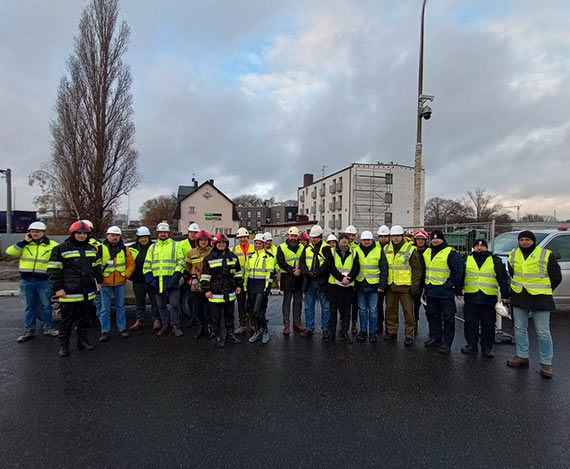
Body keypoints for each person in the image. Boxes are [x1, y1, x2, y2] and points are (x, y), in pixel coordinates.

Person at [506, 230, 561, 378]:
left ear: (533, 241)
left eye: (527, 240)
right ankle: (521, 355)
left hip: (540, 298)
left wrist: (544, 289)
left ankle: (546, 363)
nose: (524, 242)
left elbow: (556, 276)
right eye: (522, 239)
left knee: (542, 332)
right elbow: (512, 272)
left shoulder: (545, 254)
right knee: (519, 328)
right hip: (519, 295)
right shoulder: (513, 254)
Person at [47, 221, 103, 357]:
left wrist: (99, 280)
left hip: (87, 292)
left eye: (85, 233)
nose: (82, 236)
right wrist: (58, 288)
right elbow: (54, 270)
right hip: (69, 292)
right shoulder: (61, 249)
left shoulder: (91, 248)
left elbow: (96, 266)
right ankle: (64, 346)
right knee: (67, 321)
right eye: (79, 233)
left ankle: (82, 341)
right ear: (73, 234)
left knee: (85, 320)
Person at [6, 221, 60, 342]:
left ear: (43, 232)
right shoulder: (24, 245)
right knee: (29, 307)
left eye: (37, 232)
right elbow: (9, 252)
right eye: (32, 232)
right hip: (26, 280)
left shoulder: (52, 245)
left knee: (46, 306)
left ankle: (48, 328)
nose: (35, 234)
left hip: (44, 280)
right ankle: (29, 330)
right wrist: (24, 242)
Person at [458, 239, 510, 359]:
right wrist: (458, 290)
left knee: (488, 324)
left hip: (488, 298)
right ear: (473, 248)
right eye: (476, 246)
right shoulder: (466, 260)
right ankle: (471, 345)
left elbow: (503, 279)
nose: (479, 248)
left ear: (486, 247)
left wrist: (505, 295)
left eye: (482, 246)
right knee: (470, 323)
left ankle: (487, 347)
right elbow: (461, 276)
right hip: (471, 297)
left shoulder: (495, 261)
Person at [423, 230, 462, 354]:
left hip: (444, 291)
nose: (435, 240)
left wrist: (449, 285)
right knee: (433, 316)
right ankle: (435, 337)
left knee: (448, 318)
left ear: (442, 239)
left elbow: (457, 271)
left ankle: (447, 342)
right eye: (433, 239)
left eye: (438, 238)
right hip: (431, 290)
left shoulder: (450, 252)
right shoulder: (427, 251)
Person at [143, 222, 185, 338]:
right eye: (160, 232)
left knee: (174, 304)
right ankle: (165, 324)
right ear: (157, 233)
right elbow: (147, 265)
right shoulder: (152, 247)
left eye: (164, 232)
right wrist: (151, 280)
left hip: (171, 279)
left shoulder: (176, 246)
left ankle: (175, 325)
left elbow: (181, 262)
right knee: (161, 305)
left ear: (168, 233)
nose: (162, 234)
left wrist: (175, 277)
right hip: (157, 280)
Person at [201, 234, 243, 348]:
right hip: (215, 293)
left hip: (229, 291)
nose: (221, 244)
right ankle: (218, 336)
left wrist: (239, 285)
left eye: (223, 243)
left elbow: (238, 273)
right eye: (219, 243)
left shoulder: (233, 257)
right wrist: (206, 289)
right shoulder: (209, 259)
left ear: (226, 244)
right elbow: (205, 276)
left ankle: (230, 335)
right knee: (216, 317)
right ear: (215, 244)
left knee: (229, 316)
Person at [383, 225, 422, 346]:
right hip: (391, 286)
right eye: (393, 236)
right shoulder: (386, 248)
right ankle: (392, 331)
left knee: (408, 312)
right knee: (390, 310)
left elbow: (416, 269)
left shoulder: (410, 249)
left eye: (398, 236)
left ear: (402, 236)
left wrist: (414, 286)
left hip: (406, 287)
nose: (395, 238)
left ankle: (409, 334)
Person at [97, 226, 135, 341]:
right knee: (105, 308)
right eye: (112, 235)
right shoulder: (99, 249)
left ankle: (122, 329)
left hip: (120, 282)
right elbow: (94, 264)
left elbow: (131, 264)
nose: (115, 237)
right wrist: (99, 278)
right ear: (107, 236)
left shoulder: (124, 249)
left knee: (121, 307)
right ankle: (104, 331)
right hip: (105, 283)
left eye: (117, 235)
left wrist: (126, 275)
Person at [325, 233, 360, 343]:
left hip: (348, 287)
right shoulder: (332, 252)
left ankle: (344, 332)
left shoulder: (354, 252)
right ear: (338, 241)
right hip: (334, 286)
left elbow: (356, 268)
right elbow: (330, 267)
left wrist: (349, 278)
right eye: (342, 239)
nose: (344, 240)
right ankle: (332, 333)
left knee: (346, 312)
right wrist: (341, 278)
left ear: (349, 240)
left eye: (346, 239)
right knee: (333, 312)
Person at [355, 230, 388, 342]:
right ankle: (363, 331)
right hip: (360, 284)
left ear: (372, 240)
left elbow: (384, 269)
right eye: (364, 240)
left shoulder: (379, 251)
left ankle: (372, 332)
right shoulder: (356, 250)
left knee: (373, 310)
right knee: (362, 309)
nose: (366, 242)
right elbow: (353, 268)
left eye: (368, 240)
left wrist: (382, 286)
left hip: (374, 285)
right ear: (361, 240)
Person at [299, 225, 331, 340]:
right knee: (309, 306)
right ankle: (309, 328)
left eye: (316, 237)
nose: (313, 239)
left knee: (326, 307)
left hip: (322, 281)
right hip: (310, 281)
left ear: (321, 237)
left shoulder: (326, 248)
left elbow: (328, 264)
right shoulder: (307, 248)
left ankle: (325, 329)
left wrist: (317, 272)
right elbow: (302, 263)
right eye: (312, 237)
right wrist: (307, 272)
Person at [245, 234, 276, 344]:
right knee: (252, 311)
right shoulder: (250, 256)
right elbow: (247, 272)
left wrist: (267, 288)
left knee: (257, 311)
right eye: (256, 243)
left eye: (260, 243)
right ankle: (257, 331)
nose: (257, 245)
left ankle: (265, 330)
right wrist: (244, 285)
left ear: (263, 244)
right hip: (251, 284)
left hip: (261, 285)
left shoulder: (269, 257)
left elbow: (269, 273)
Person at [128, 226, 160, 331]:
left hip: (152, 280)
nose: (143, 239)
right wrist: (130, 276)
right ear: (138, 238)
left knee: (154, 301)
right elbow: (127, 263)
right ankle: (139, 321)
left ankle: (156, 320)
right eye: (141, 237)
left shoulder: (155, 247)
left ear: (149, 237)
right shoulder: (132, 248)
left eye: (145, 237)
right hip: (138, 281)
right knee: (139, 302)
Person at [276, 226, 306, 335]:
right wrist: (292, 270)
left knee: (298, 302)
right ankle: (286, 325)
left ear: (297, 237)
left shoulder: (302, 248)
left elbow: (304, 261)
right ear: (288, 236)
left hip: (299, 278)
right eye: (291, 235)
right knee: (287, 302)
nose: (293, 238)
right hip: (287, 278)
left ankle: (296, 323)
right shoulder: (281, 247)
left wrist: (300, 269)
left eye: (295, 236)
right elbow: (281, 262)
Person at [185, 230, 213, 339]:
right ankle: (202, 327)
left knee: (209, 309)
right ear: (197, 241)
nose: (203, 242)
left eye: (205, 240)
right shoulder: (191, 253)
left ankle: (210, 327)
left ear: (208, 241)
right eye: (201, 240)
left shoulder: (212, 252)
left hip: (209, 285)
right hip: (196, 285)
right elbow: (188, 266)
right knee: (198, 309)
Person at [233, 227, 254, 334]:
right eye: (240, 237)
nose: (243, 239)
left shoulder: (254, 248)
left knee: (252, 302)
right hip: (239, 280)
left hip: (251, 279)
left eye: (244, 237)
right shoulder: (234, 250)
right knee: (241, 303)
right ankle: (243, 324)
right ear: (238, 238)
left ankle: (253, 324)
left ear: (248, 237)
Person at [179, 222, 200, 327]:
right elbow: (179, 258)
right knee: (190, 298)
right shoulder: (181, 244)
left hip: (199, 274)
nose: (193, 234)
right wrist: (185, 272)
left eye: (195, 232)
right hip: (187, 274)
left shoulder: (201, 243)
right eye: (191, 232)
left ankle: (200, 318)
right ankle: (193, 317)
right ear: (188, 233)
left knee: (199, 298)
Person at [412, 230, 429, 336]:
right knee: (414, 307)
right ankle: (414, 327)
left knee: (430, 309)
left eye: (422, 239)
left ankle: (433, 331)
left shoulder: (430, 251)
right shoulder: (411, 251)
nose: (420, 241)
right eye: (418, 239)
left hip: (427, 283)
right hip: (415, 284)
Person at [375, 225, 391, 334]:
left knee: (390, 306)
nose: (383, 238)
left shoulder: (392, 247)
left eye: (385, 236)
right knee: (378, 304)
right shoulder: (374, 246)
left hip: (391, 280)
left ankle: (389, 327)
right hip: (378, 280)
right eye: (381, 236)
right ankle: (379, 324)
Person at [345, 224, 359, 334]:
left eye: (353, 235)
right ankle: (343, 322)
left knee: (355, 304)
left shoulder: (357, 248)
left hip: (354, 280)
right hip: (342, 280)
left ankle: (354, 323)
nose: (351, 237)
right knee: (344, 304)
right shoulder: (340, 247)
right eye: (349, 235)